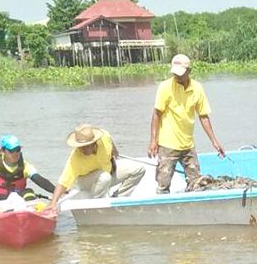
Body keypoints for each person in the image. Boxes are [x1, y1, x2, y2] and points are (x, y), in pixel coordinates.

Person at [147, 54, 226, 194]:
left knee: (197, 184)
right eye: (175, 73)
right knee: (163, 185)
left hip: (188, 145)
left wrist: (215, 141)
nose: (177, 77)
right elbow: (156, 114)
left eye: (181, 74)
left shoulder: (197, 88)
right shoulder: (165, 87)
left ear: (189, 71)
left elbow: (203, 116)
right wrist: (153, 141)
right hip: (167, 145)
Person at [49, 124, 145, 210]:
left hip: (108, 171)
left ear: (94, 142)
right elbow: (63, 182)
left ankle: (118, 199)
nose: (83, 149)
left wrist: (114, 149)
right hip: (88, 181)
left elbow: (108, 138)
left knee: (139, 169)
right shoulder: (75, 158)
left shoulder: (104, 138)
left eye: (86, 146)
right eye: (80, 146)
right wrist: (53, 203)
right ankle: (96, 205)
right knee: (104, 177)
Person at [0, 135, 55, 211]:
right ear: (3, 151)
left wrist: (57, 192)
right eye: (11, 151)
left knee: (28, 191)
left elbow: (40, 180)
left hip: (17, 199)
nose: (15, 153)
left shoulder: (25, 166)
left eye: (18, 149)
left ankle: (30, 212)